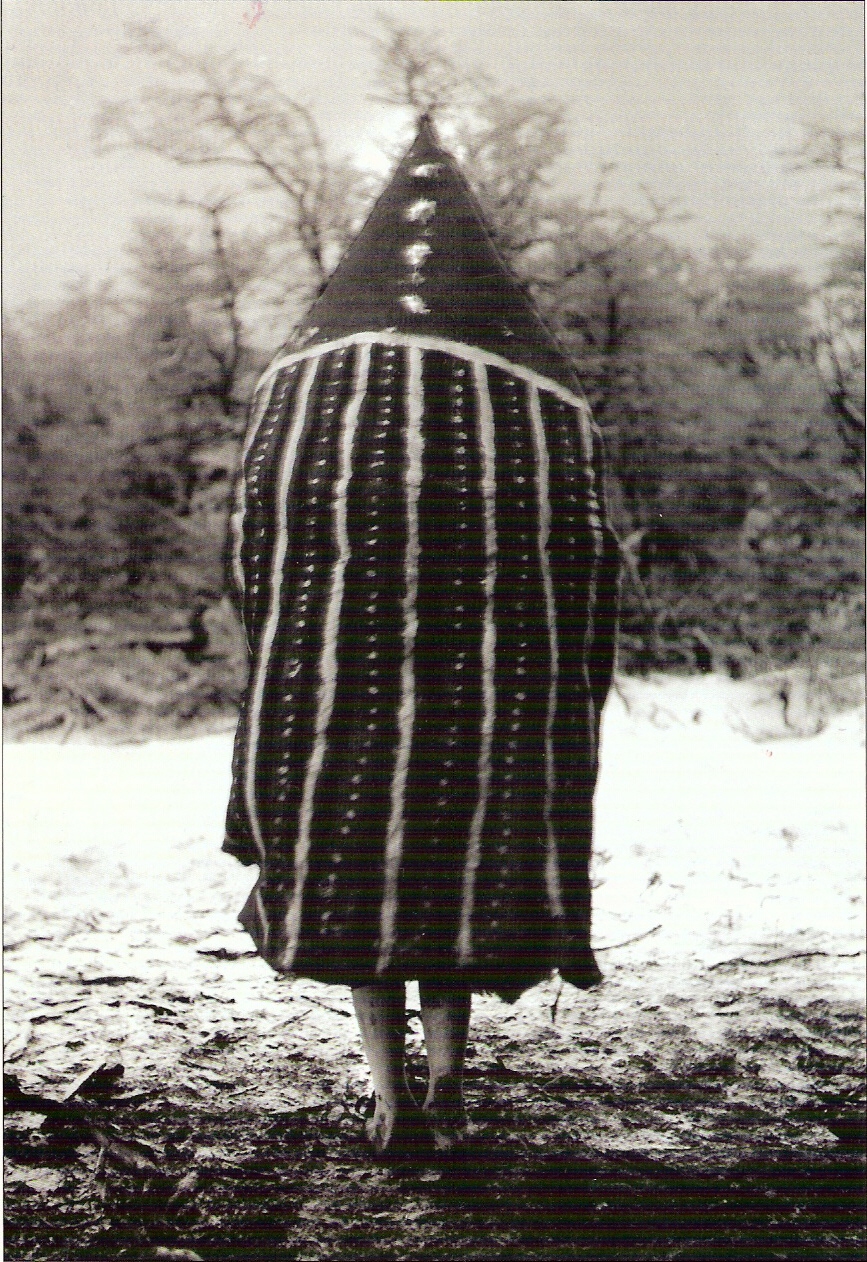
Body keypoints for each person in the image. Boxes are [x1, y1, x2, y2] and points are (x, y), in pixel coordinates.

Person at [224, 115, 620, 1159]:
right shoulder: (536, 412)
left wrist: (281, 668)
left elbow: (252, 563)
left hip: (336, 711)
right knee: (450, 882)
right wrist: (570, 692)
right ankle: (447, 1082)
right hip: (478, 713)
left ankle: (393, 1093)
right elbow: (589, 569)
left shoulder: (307, 407)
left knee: (360, 882)